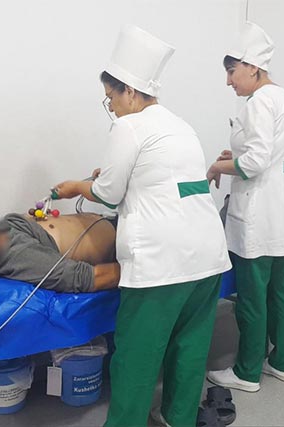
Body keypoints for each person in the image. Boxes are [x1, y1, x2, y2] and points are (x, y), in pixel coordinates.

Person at [52, 25, 232, 427]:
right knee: (189, 349)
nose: (112, 107)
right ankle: (177, 419)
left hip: (161, 263)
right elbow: (170, 184)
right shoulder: (180, 125)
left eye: (111, 98)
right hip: (207, 256)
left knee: (136, 358)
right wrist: (110, 182)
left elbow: (109, 193)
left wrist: (78, 187)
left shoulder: (128, 126)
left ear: (130, 92)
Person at [205, 22, 284, 393]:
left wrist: (218, 167)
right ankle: (283, 363)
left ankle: (247, 373)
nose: (228, 81)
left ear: (252, 67)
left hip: (258, 212)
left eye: (232, 71)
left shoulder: (259, 102)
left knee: (251, 295)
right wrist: (239, 156)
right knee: (281, 292)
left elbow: (255, 163)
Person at [0, 212, 120, 293]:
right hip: (124, 241)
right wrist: (136, 270)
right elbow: (87, 278)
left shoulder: (0, 233)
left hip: (119, 218)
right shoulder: (20, 257)